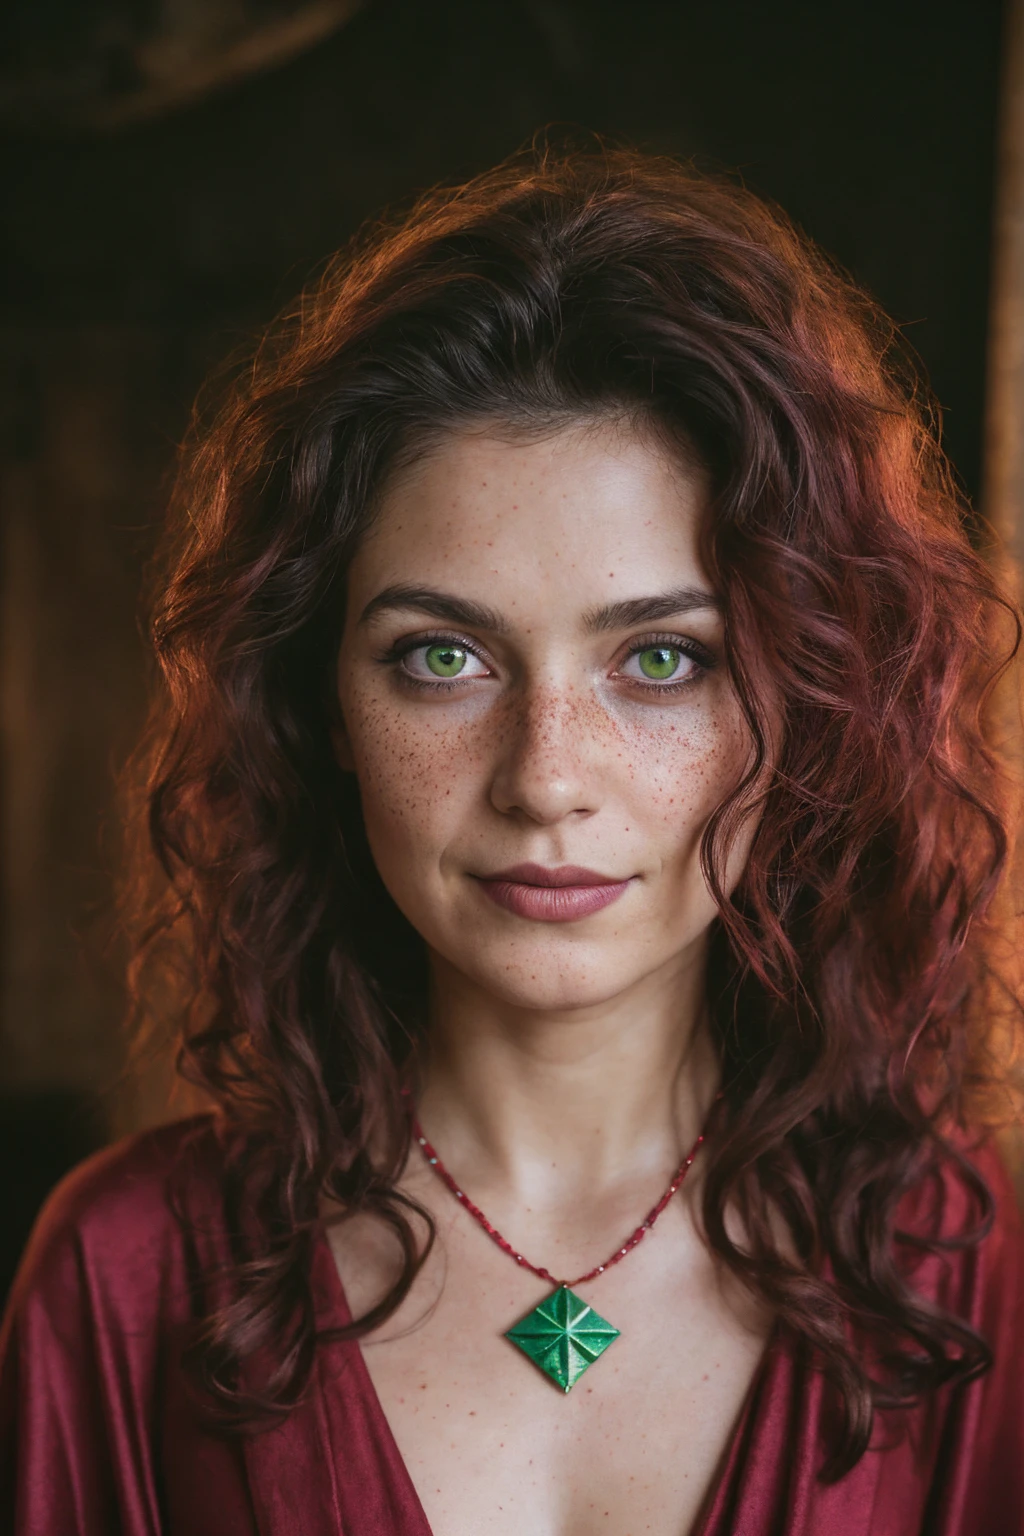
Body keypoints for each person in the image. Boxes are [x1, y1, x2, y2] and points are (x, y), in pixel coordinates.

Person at [1, 145, 1022, 1536]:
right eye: (442, 658)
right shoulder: (123, 1284)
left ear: (815, 708)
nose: (547, 779)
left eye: (661, 660)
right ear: (326, 710)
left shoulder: (969, 1275)